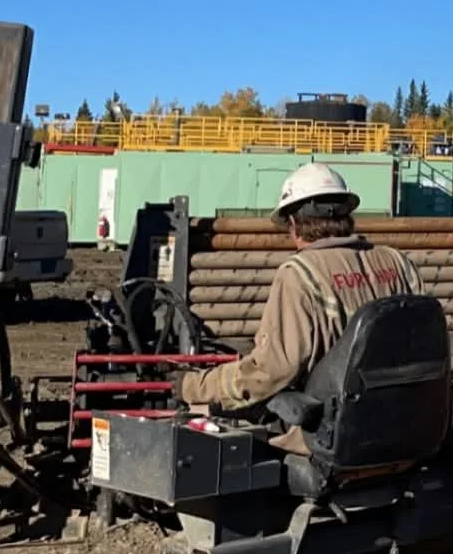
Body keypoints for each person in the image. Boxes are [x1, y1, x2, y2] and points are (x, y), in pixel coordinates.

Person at [169, 163, 421, 452]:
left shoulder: (300, 274)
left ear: (294, 223)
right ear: (346, 214)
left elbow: (269, 371)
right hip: (406, 429)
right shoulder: (398, 263)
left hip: (336, 439)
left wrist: (193, 386)